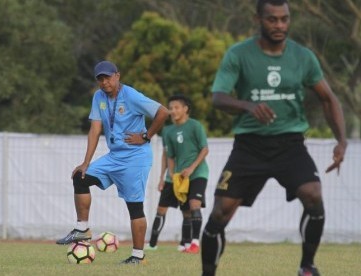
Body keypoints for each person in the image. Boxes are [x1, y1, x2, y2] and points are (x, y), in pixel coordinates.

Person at [200, 1, 347, 275]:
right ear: (258, 19)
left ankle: (307, 267)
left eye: (284, 19)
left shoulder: (303, 57)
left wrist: (341, 140)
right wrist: (247, 106)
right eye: (272, 20)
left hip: (290, 145)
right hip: (249, 147)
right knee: (220, 212)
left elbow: (328, 99)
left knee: (313, 195)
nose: (279, 25)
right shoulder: (238, 54)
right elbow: (218, 98)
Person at [56, 60, 169, 264]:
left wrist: (146, 136)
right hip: (114, 156)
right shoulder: (99, 97)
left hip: (135, 158)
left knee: (134, 207)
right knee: (80, 177)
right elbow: (95, 129)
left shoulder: (131, 95)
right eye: (100, 79)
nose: (104, 82)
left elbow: (163, 112)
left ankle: (137, 256)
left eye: (108, 77)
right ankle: (82, 229)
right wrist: (86, 162)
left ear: (117, 75)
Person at [146, 95, 209, 254]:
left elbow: (205, 149)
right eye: (170, 108)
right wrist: (165, 177)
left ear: (185, 109)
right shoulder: (167, 131)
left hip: (197, 173)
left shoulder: (195, 126)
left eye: (176, 107)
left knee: (193, 205)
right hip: (177, 177)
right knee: (164, 210)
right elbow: (169, 156)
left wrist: (192, 168)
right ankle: (152, 245)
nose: (172, 111)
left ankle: (194, 243)